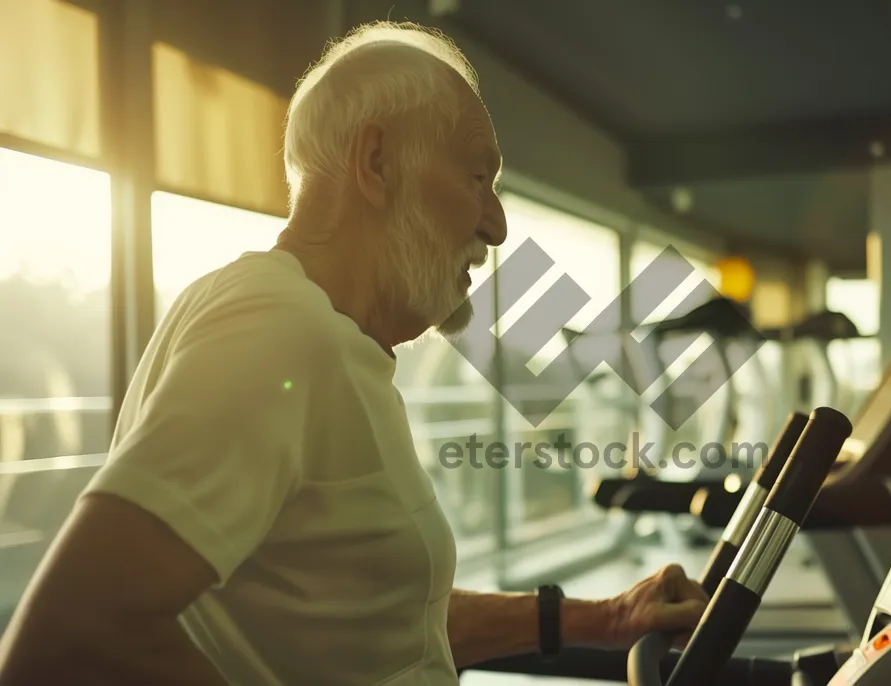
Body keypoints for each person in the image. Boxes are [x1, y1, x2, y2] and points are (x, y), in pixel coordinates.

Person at [0, 21, 708, 685]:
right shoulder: (276, 329)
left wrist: (607, 618)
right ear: (377, 162)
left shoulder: (314, 335)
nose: (494, 226)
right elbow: (72, 634)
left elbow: (382, 615)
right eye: (476, 178)